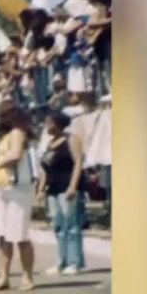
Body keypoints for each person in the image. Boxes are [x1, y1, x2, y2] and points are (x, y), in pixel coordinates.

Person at [0, 104, 37, 291]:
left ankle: (27, 276)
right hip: (3, 187)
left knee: (20, 234)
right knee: (1, 235)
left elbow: (15, 154)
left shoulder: (18, 132)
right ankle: (4, 277)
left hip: (18, 187)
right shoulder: (2, 137)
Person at [38, 110, 86, 275]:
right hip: (52, 188)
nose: (47, 126)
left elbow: (78, 162)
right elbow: (44, 168)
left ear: (58, 123)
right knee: (58, 225)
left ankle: (75, 262)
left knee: (71, 224)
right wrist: (41, 188)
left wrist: (73, 186)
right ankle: (61, 261)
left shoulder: (71, 139)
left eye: (49, 122)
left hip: (67, 185)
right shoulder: (49, 143)